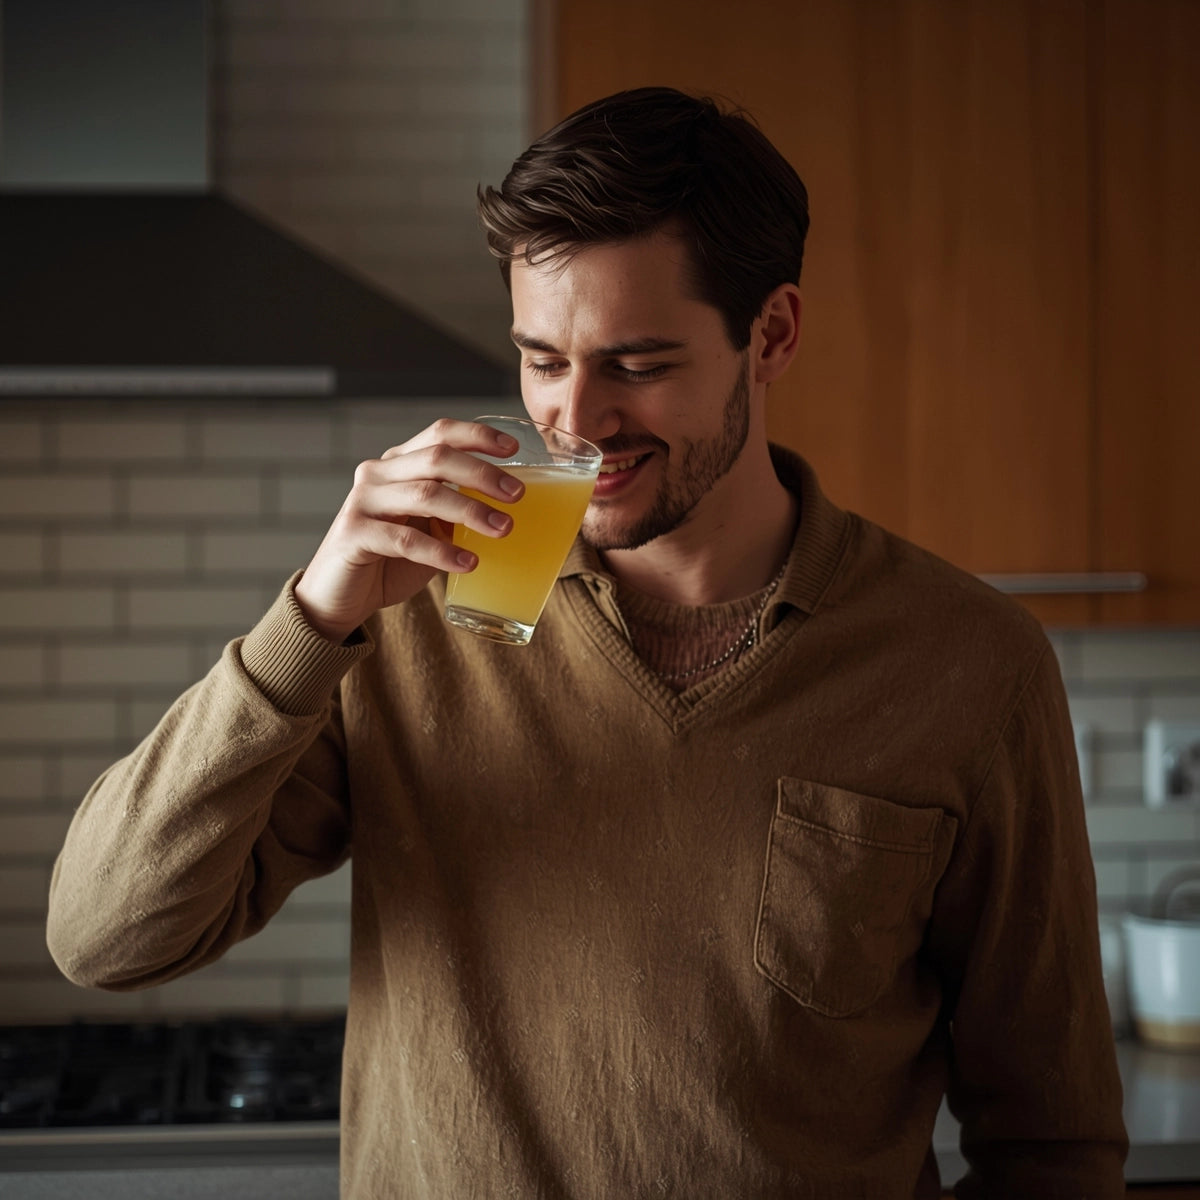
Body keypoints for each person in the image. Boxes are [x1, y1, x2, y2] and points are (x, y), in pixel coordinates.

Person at [46, 86, 1127, 1198]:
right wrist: (312, 618)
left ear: (773, 336)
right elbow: (106, 938)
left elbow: (1053, 1140)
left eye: (638, 364)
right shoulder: (411, 618)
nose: (577, 419)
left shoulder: (967, 663)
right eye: (541, 358)